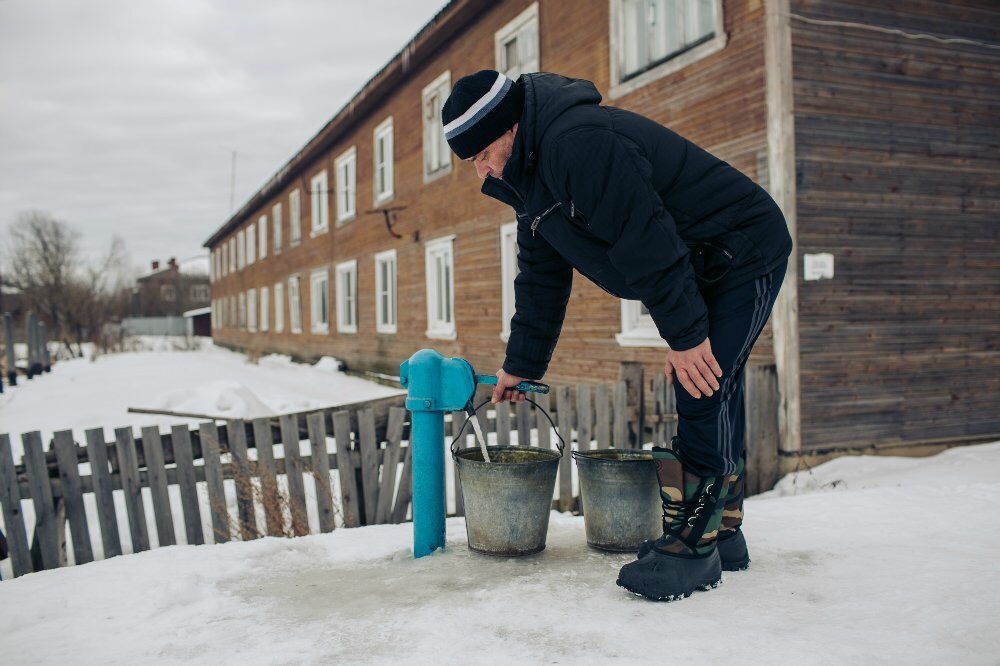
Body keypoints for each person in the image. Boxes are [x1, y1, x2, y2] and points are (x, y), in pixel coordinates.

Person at [442, 70, 791, 601]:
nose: (482, 170)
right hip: (697, 265)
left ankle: (694, 548)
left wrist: (685, 335)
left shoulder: (577, 142)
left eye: (482, 154)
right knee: (713, 385)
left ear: (508, 127)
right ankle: (722, 532)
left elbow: (642, 236)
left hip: (744, 251)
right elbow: (540, 279)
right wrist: (521, 365)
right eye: (473, 163)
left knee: (702, 381)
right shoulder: (530, 182)